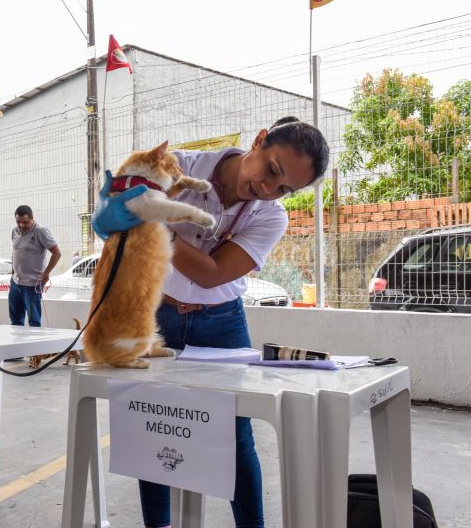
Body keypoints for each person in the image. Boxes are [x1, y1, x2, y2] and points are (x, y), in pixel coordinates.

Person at [92, 116, 330, 528]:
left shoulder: (271, 216)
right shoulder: (180, 165)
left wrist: (154, 215)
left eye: (284, 189)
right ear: (259, 141)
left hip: (221, 323)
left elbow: (212, 273)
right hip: (156, 315)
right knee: (153, 423)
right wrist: (116, 210)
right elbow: (107, 223)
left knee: (235, 436)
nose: (268, 189)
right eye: (271, 170)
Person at [9, 205, 61, 327]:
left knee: (34, 321)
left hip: (33, 284)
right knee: (15, 320)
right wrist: (12, 275)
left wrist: (47, 273)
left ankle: (35, 346)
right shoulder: (14, 231)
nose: (21, 225)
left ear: (32, 219)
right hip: (15, 283)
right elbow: (15, 253)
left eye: (25, 222)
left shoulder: (40, 231)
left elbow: (57, 253)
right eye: (18, 222)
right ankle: (17, 345)